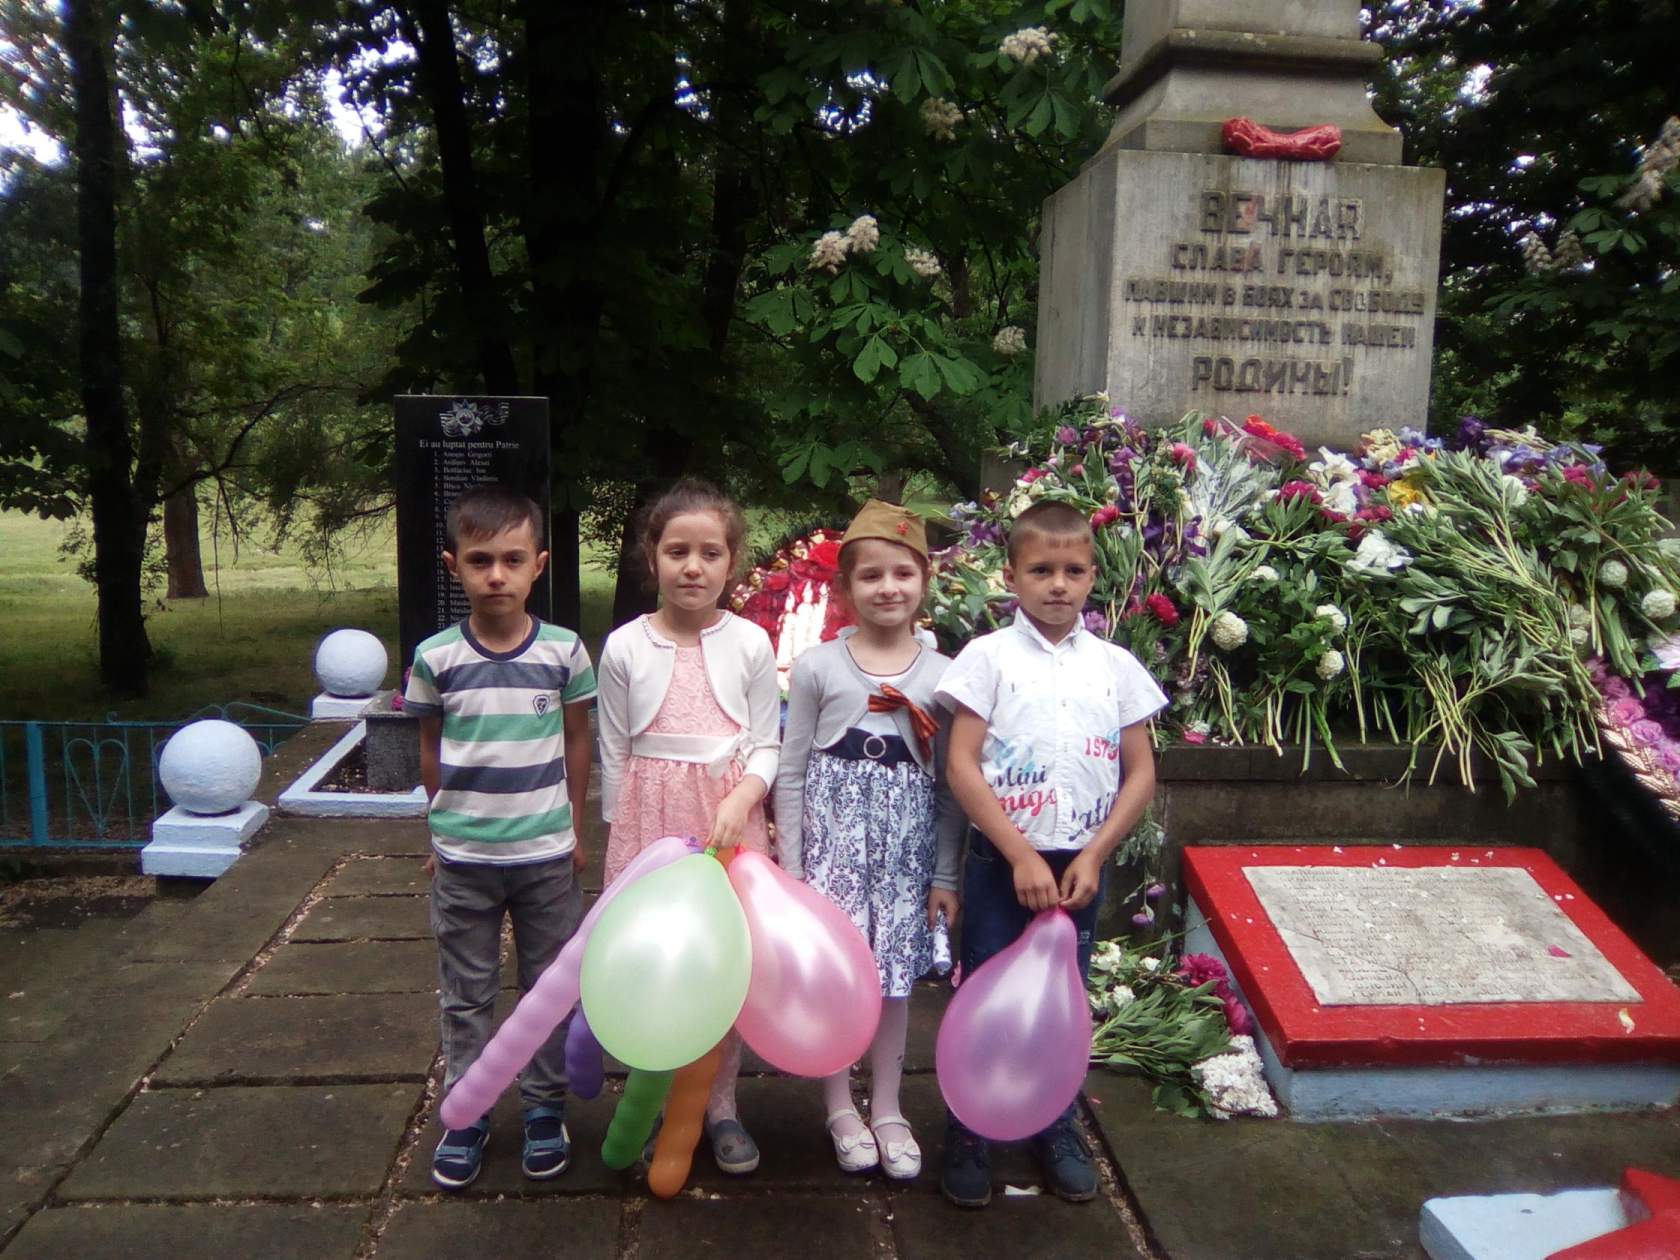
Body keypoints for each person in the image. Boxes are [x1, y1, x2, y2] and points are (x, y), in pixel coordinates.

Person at [935, 499, 1166, 1208]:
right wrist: (1019, 856)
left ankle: (1053, 1120)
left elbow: (1141, 773)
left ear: (1093, 577)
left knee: (1060, 998)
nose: (1058, 584)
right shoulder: (987, 660)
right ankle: (969, 1126)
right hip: (1005, 861)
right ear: (1011, 576)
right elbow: (962, 765)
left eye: (1072, 570)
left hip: (1080, 866)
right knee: (987, 990)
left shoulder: (1116, 667)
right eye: (1040, 570)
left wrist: (1094, 855)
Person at [403, 483, 597, 1190]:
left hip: (545, 855)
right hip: (465, 861)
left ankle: (544, 1107)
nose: (496, 576)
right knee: (467, 991)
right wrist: (440, 829)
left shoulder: (564, 652)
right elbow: (432, 748)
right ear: (453, 565)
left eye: (512, 560)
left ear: (537, 565)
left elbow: (577, 740)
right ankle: (469, 1110)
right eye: (479, 560)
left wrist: (574, 826)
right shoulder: (435, 659)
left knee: (548, 987)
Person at [775, 500, 964, 1180]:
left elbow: (951, 787)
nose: (888, 588)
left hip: (904, 855)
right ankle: (837, 1106)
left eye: (903, 574)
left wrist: (945, 875)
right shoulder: (819, 667)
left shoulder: (944, 677)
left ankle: (887, 1106)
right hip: (834, 852)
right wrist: (793, 870)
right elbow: (791, 771)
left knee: (892, 981)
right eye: (871, 575)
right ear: (845, 588)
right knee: (837, 977)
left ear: (924, 582)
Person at [595, 477, 780, 1175]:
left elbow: (767, 742)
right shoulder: (625, 647)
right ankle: (656, 1101)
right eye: (678, 552)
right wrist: (622, 843)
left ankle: (720, 1104)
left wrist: (746, 797)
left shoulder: (751, 643)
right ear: (653, 557)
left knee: (721, 964)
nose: (693, 567)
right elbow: (614, 749)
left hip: (727, 820)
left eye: (709, 553)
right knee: (656, 959)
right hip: (650, 824)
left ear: (731, 561)